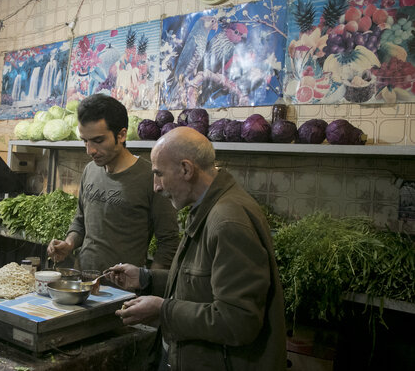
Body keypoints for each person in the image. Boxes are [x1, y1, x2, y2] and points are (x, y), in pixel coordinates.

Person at [108, 126, 286, 371]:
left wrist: (163, 310)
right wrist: (146, 279)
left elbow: (238, 321)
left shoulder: (227, 221)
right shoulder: (208, 207)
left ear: (186, 169)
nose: (156, 187)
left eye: (158, 174)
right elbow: (202, 285)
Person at [47, 94, 180, 272]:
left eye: (98, 140)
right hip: (83, 283)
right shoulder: (90, 170)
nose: (90, 150)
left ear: (122, 135)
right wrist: (69, 243)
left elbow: (169, 241)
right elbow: (80, 222)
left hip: (124, 292)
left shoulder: (151, 178)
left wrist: (148, 283)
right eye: (85, 141)